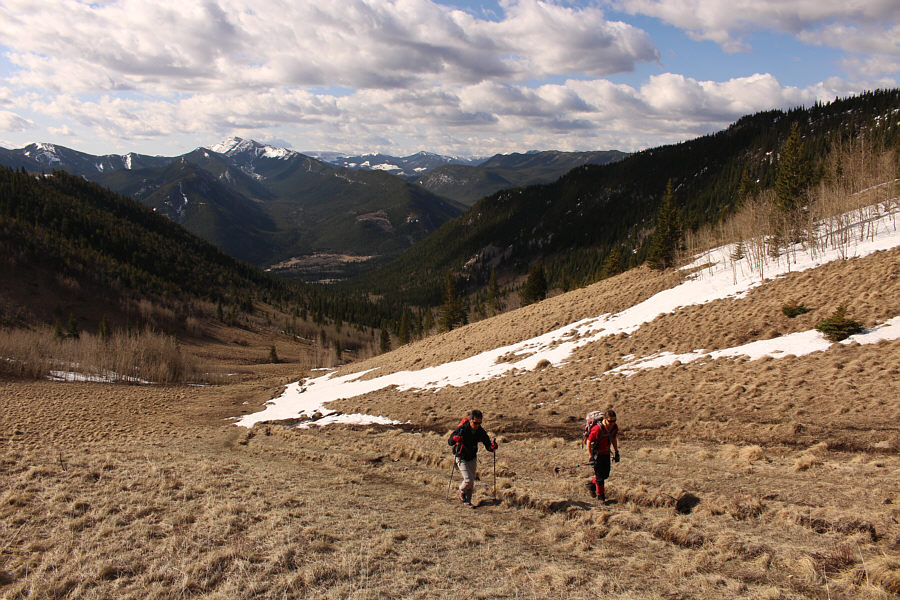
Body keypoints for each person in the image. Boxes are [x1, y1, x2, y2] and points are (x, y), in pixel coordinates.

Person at [448, 409, 498, 507]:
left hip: (472, 457)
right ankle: (461, 490)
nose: (477, 425)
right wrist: (455, 438)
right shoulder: (462, 428)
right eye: (475, 423)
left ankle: (468, 502)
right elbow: (450, 441)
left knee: (471, 481)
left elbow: (487, 443)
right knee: (468, 479)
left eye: (480, 423)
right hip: (461, 456)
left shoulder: (480, 431)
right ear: (471, 420)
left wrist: (492, 447)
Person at [585, 408, 619, 503]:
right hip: (597, 455)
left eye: (614, 420)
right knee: (600, 477)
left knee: (605, 474)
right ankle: (601, 497)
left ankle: (591, 485)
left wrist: (616, 451)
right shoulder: (597, 429)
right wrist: (590, 457)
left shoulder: (614, 428)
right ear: (605, 419)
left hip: (606, 453)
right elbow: (589, 442)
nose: (612, 423)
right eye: (610, 421)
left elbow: (613, 439)